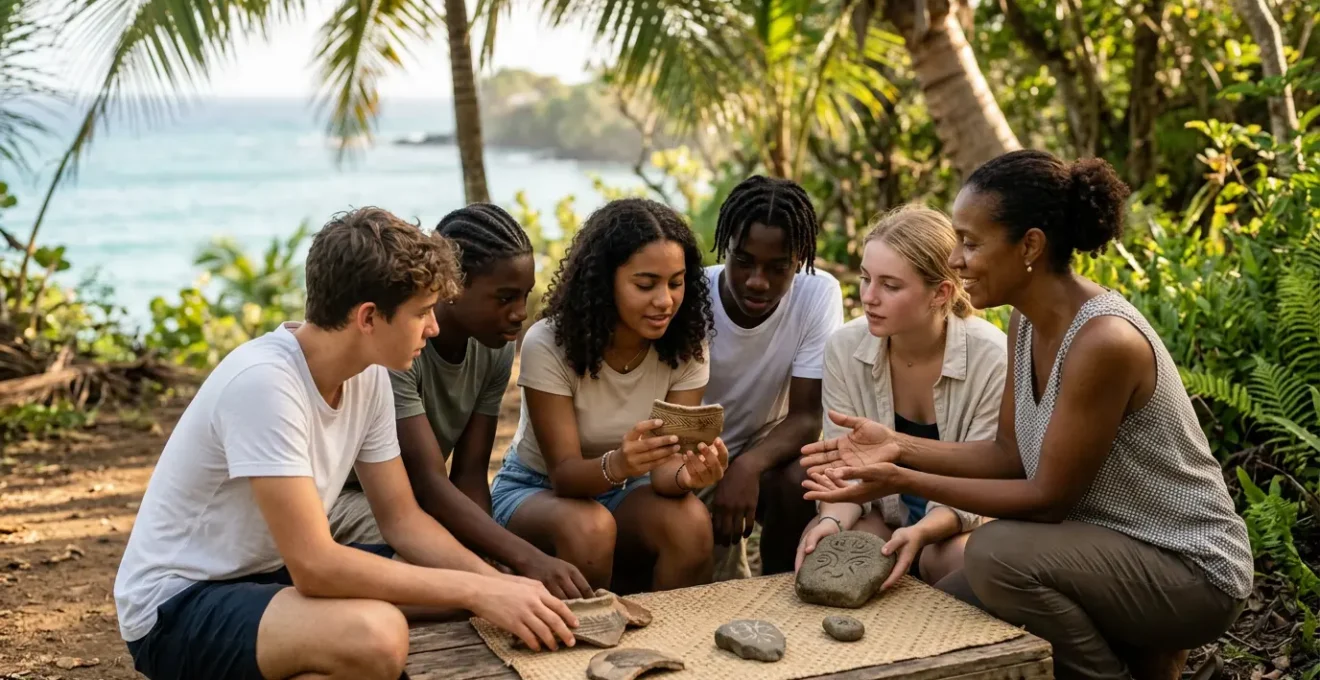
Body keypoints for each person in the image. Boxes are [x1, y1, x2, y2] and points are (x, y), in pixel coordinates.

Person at [800, 150, 1252, 680]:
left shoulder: (1103, 341)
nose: (956, 261)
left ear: (1031, 246)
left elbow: (1045, 498)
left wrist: (900, 475)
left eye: (970, 243)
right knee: (944, 607)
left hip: (1189, 568)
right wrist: (899, 445)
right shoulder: (1026, 323)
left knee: (994, 553)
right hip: (1099, 551)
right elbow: (1008, 456)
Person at [114, 208, 578, 680]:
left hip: (270, 577)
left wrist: (497, 584)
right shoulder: (265, 385)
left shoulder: (371, 376)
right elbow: (315, 564)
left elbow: (404, 520)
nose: (433, 327)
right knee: (376, 635)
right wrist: (477, 591)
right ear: (369, 318)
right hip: (178, 605)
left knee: (445, 586)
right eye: (421, 313)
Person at [327, 203, 594, 600]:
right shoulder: (401, 349)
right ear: (454, 287)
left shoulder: (495, 349)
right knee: (447, 571)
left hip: (411, 502)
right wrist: (522, 559)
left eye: (524, 296)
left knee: (475, 560)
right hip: (349, 498)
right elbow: (429, 481)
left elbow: (468, 474)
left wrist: (494, 553)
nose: (519, 313)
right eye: (504, 298)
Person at [490, 197, 728, 594]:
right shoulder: (549, 343)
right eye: (645, 284)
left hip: (629, 490)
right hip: (538, 488)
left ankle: (676, 643)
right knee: (589, 527)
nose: (665, 300)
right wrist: (618, 463)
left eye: (676, 282)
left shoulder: (686, 346)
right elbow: (564, 475)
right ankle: (583, 641)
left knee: (690, 522)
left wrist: (688, 474)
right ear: (604, 281)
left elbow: (665, 473)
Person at [793, 204, 1006, 591]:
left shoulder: (991, 356)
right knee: (835, 546)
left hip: (959, 521)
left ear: (940, 293)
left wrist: (922, 533)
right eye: (865, 279)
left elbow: (983, 484)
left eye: (890, 286)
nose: (869, 297)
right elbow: (846, 473)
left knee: (947, 559)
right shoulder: (845, 347)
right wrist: (830, 520)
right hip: (882, 514)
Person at [698, 175, 844, 578]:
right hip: (694, 454)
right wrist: (718, 468)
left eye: (778, 267)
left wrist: (747, 467)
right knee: (701, 577)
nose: (757, 281)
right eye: (742, 261)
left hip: (765, 448)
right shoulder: (693, 296)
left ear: (799, 262)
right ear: (724, 247)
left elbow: (806, 417)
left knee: (803, 479)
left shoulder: (817, 294)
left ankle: (781, 585)